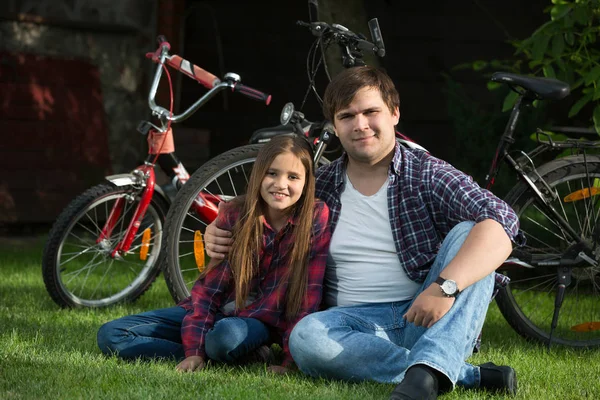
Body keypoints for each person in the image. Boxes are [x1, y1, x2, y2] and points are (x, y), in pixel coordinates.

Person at [204, 66, 521, 399]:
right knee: (305, 339)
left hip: (427, 311)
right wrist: (221, 227)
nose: (360, 125)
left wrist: (444, 288)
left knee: (475, 232)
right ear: (335, 127)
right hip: (349, 324)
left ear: (394, 113)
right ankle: (452, 372)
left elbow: (504, 221)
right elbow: (265, 213)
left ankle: (423, 380)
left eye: (371, 112)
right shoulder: (322, 186)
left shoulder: (425, 173)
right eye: (347, 116)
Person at [97, 135, 331, 374]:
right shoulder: (235, 213)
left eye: (293, 177)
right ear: (258, 175)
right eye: (272, 173)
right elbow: (209, 291)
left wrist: (290, 363)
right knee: (111, 335)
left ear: (306, 183)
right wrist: (193, 352)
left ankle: (229, 347)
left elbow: (307, 295)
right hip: (220, 311)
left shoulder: (314, 218)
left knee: (225, 338)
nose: (280, 184)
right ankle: (230, 353)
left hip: (258, 323)